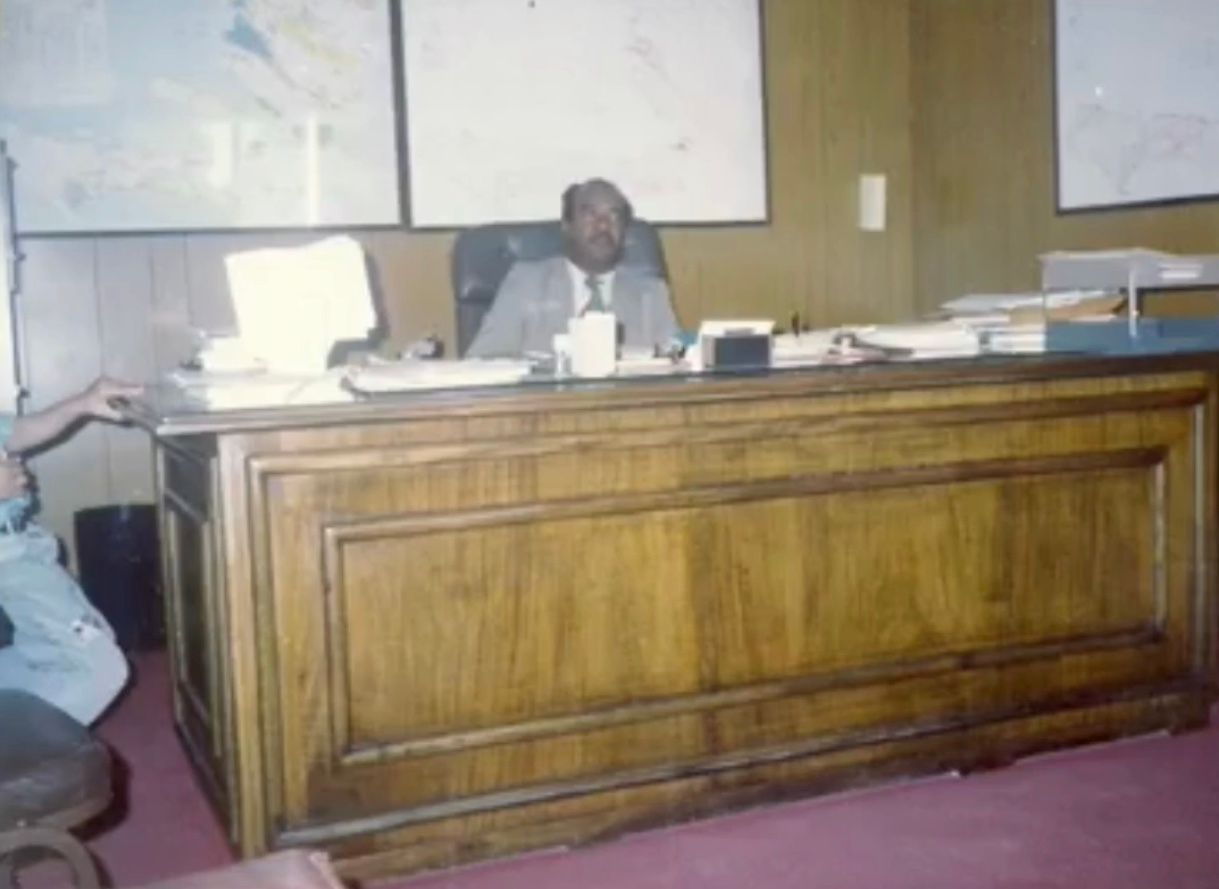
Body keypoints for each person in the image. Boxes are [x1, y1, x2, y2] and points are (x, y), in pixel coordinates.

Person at [0, 376, 142, 726]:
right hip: (8, 556)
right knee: (100, 669)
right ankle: (25, 747)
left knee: (81, 647)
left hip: (23, 545)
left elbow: (16, 432)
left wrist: (83, 402)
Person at [466, 178, 680, 358]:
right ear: (567, 225)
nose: (603, 225)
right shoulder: (526, 283)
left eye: (614, 216)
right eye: (590, 214)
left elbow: (677, 366)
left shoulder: (651, 293)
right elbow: (482, 360)